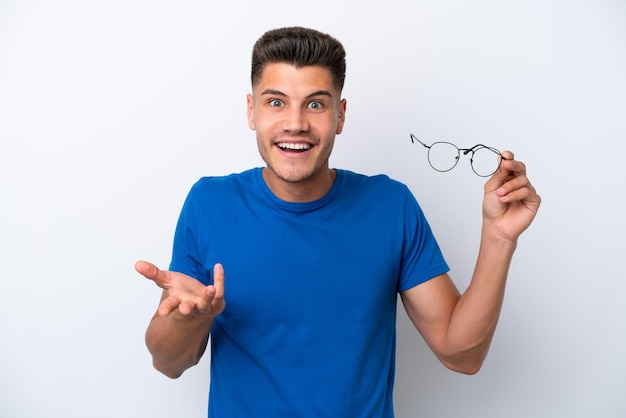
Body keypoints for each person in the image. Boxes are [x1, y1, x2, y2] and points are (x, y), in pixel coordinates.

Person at [135, 26, 541, 417]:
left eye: (315, 103)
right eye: (276, 102)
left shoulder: (390, 206)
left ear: (340, 115)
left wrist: (499, 237)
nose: (295, 123)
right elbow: (168, 362)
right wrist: (194, 320)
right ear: (251, 110)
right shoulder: (209, 204)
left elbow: (462, 354)